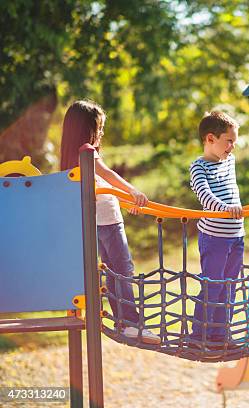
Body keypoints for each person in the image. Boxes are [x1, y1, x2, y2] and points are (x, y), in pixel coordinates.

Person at [60, 100, 160, 344]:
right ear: (86, 129)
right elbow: (108, 176)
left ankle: (125, 322)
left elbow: (100, 189)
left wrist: (127, 200)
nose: (102, 132)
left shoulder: (72, 156)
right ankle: (131, 323)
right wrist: (133, 191)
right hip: (108, 223)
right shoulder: (88, 151)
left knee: (113, 271)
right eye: (99, 127)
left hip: (96, 222)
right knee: (122, 270)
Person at [189, 111, 244, 349]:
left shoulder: (229, 161)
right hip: (214, 237)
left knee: (229, 287)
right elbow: (206, 197)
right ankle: (198, 335)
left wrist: (233, 211)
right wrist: (226, 208)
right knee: (212, 286)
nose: (232, 146)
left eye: (234, 141)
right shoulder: (198, 167)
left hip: (237, 236)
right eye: (228, 141)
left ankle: (220, 336)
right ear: (210, 139)